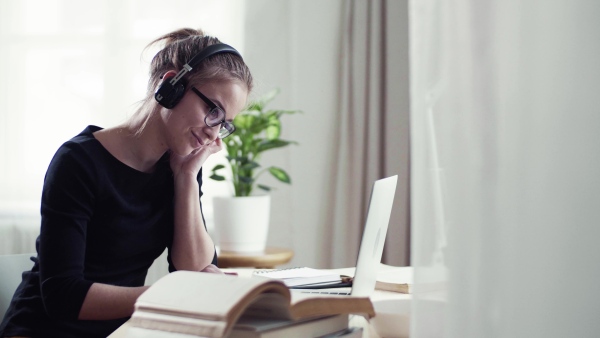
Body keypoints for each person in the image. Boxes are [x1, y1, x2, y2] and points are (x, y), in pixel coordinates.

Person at [0, 27, 253, 338]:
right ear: (171, 85)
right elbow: (62, 296)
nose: (214, 133)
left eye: (225, 123)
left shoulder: (182, 164)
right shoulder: (78, 161)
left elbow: (195, 271)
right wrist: (167, 295)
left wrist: (186, 177)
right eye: (212, 111)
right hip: (40, 330)